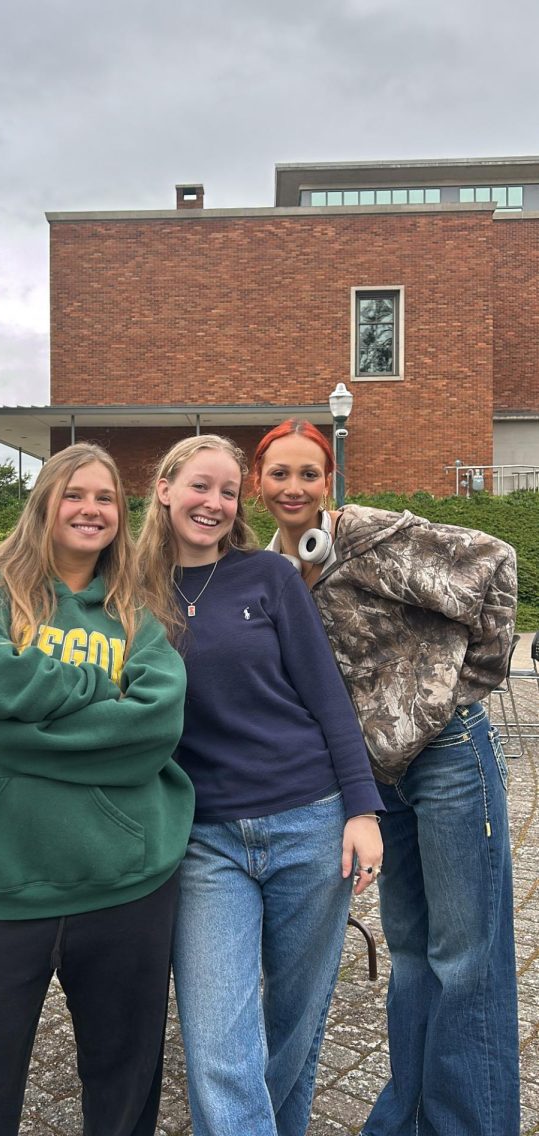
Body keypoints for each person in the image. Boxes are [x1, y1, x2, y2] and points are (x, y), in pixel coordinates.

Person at [253, 417, 520, 1136]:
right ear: (257, 482)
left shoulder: (369, 536)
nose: (293, 486)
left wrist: (458, 689)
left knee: (466, 957)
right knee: (410, 953)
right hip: (379, 781)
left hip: (448, 757)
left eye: (307, 472)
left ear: (327, 482)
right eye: (278, 473)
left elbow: (493, 561)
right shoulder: (273, 571)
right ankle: (407, 1119)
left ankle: (467, 1123)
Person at [0, 442, 195, 1136]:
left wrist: (20, 730)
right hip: (3, 883)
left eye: (105, 497)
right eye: (74, 494)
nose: (90, 509)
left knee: (123, 1084)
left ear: (120, 515)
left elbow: (154, 725)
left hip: (126, 882)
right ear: (44, 505)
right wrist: (98, 687)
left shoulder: (138, 612)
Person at [137, 433, 383, 1136]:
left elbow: (325, 695)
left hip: (309, 820)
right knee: (218, 1044)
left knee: (293, 1024)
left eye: (225, 491)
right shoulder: (128, 588)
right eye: (198, 486)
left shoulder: (268, 578)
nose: (212, 503)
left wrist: (361, 808)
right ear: (163, 488)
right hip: (204, 839)